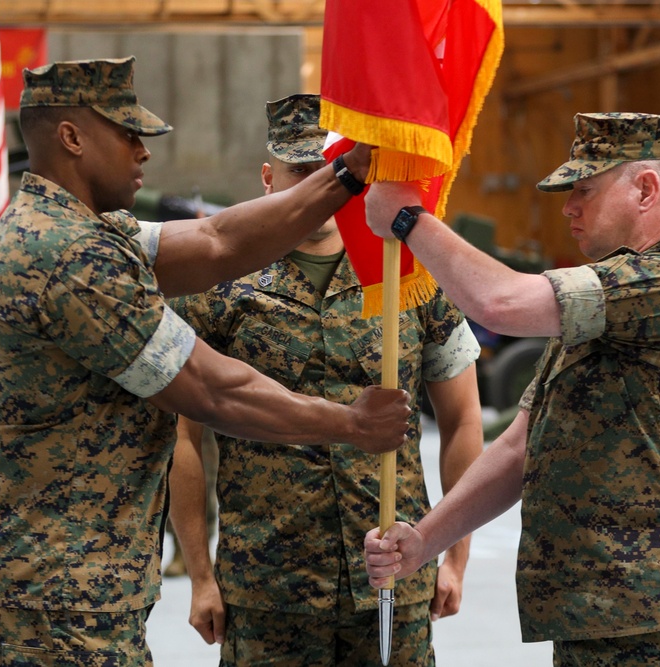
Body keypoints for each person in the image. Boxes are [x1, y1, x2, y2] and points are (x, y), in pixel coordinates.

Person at [0, 57, 412, 666]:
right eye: (128, 134)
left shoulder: (81, 228)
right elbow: (209, 390)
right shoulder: (68, 254)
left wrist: (346, 176)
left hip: (69, 570)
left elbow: (218, 242)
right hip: (53, 580)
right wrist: (350, 424)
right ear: (72, 139)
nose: (143, 151)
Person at [363, 113, 660, 665]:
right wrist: (425, 542)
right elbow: (521, 447)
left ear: (645, 189)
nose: (569, 206)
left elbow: (498, 303)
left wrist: (408, 218)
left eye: (585, 189)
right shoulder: (601, 307)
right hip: (602, 617)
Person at [167, 93, 483, 665]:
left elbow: (462, 419)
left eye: (334, 168)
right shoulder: (220, 285)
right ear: (268, 177)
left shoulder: (406, 276)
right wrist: (199, 574)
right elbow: (184, 439)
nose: (320, 187)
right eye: (301, 172)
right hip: (268, 588)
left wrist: (455, 554)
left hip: (391, 575)